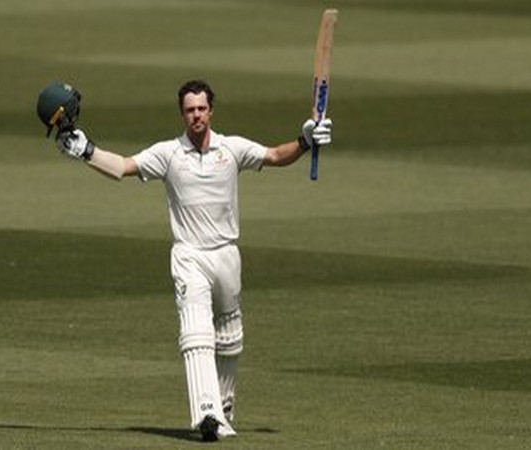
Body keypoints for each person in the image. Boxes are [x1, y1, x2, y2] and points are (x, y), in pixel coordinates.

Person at [54, 79, 332, 441]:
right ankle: (206, 414)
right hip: (189, 256)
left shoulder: (231, 148)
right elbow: (123, 167)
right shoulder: (169, 153)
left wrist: (305, 140)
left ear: (211, 111)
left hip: (227, 254)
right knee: (196, 332)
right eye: (189, 110)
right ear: (182, 114)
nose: (196, 115)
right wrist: (87, 151)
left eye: (201, 108)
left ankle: (224, 407)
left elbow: (276, 156)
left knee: (230, 336)